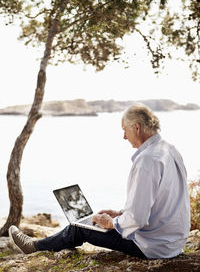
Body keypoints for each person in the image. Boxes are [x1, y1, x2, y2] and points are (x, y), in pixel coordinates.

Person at [9, 103, 190, 259]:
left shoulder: (147, 160)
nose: (124, 137)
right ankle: (40, 243)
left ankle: (33, 247)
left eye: (124, 130)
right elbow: (161, 202)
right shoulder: (170, 149)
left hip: (152, 247)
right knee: (99, 222)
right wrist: (120, 214)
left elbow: (137, 218)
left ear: (136, 127)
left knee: (79, 229)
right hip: (172, 243)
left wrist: (111, 223)